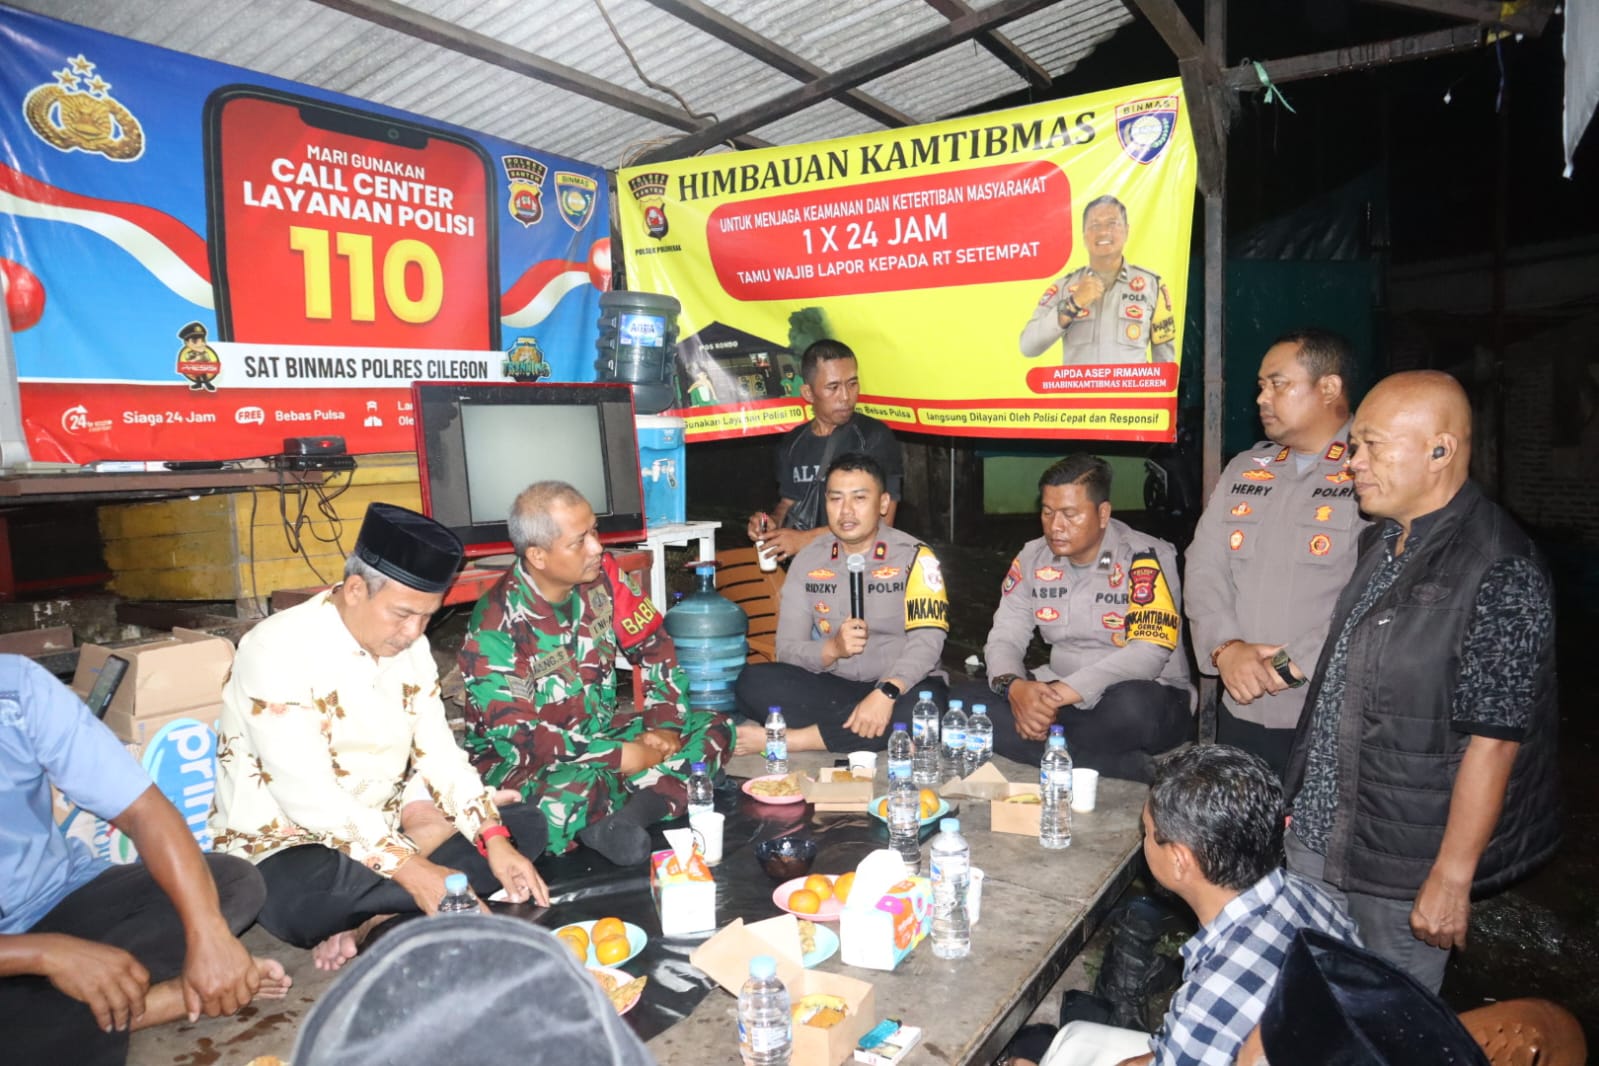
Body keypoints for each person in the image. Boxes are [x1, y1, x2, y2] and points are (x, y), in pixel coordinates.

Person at [1283, 370, 1561, 992]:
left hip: (1400, 865)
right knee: (1309, 1007)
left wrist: (1451, 878)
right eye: (1355, 445)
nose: (1353, 462)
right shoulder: (1384, 541)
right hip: (1322, 835)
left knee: (1386, 1022)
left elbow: (1495, 741)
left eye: (1372, 446)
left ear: (1440, 451)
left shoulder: (1499, 567)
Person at [211, 503, 549, 972]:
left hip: (384, 837)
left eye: (427, 617)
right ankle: (407, 881)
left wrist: (493, 837)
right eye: (402, 614)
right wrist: (415, 870)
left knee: (525, 827)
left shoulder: (412, 649)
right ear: (355, 589)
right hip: (293, 848)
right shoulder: (275, 648)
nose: (413, 632)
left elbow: (440, 755)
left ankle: (375, 915)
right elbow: (308, 796)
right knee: (303, 902)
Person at [1, 655, 290, 1066]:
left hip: (50, 897)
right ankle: (155, 1003)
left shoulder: (16, 689)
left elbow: (143, 810)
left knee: (230, 883)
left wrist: (208, 936)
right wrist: (46, 954)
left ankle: (94, 1003)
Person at [1009, 745, 1360, 1066]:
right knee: (1073, 1039)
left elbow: (1212, 1019)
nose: (1144, 840)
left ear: (1179, 860)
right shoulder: (1312, 899)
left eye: (1148, 832)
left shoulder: (1218, 991)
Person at [459, 481, 732, 867]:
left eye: (594, 531)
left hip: (598, 735)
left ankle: (628, 816)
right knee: (563, 796)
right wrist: (622, 757)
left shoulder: (603, 576)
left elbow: (655, 647)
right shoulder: (495, 626)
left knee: (715, 725)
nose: (597, 548)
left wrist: (664, 725)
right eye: (579, 541)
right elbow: (522, 736)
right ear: (538, 555)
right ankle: (665, 787)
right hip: (526, 763)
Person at [1183, 330, 1367, 777]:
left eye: (1278, 384)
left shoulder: (1371, 470)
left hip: (1330, 711)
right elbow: (1205, 566)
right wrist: (1226, 649)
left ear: (1329, 387)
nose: (1262, 398)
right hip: (1242, 706)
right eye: (1261, 386)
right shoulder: (1246, 470)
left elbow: (1373, 593)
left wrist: (1280, 669)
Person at [977, 455, 1193, 783]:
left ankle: (1051, 747)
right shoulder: (1033, 557)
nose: (1055, 526)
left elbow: (1148, 653)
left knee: (1134, 710)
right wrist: (1015, 688)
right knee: (968, 703)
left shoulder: (1144, 556)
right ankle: (1108, 763)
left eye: (1070, 514)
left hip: (1140, 693)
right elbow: (1005, 635)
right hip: (1061, 695)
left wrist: (1059, 695)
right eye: (1047, 512)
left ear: (1103, 514)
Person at [733, 453, 948, 755]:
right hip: (835, 683)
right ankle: (867, 732)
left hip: (901, 686)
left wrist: (886, 692)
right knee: (752, 682)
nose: (846, 511)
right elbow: (787, 649)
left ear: (883, 504)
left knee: (926, 709)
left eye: (859, 498)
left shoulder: (916, 556)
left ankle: (790, 740)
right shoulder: (809, 559)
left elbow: (928, 641)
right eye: (836, 499)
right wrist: (832, 649)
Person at [745, 340, 904, 563]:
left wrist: (805, 540)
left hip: (857, 568)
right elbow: (789, 501)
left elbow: (883, 522)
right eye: (833, 387)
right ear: (808, 393)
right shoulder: (793, 442)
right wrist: (771, 524)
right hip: (808, 570)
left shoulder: (873, 437)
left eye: (852, 384)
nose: (846, 396)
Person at [1019, 196, 1176, 366]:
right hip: (1080, 385)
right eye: (1095, 225)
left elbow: (1165, 363)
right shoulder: (1064, 287)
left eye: (1112, 223)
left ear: (1127, 230)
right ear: (1084, 236)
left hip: (1132, 385)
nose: (1103, 232)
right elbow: (1028, 346)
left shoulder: (1152, 286)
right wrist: (1073, 304)